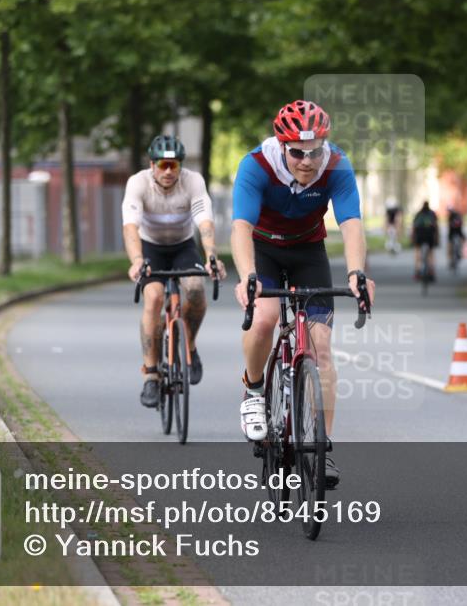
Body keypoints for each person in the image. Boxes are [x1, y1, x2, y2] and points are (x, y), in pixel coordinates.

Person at [231, 99, 375, 489]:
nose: (307, 161)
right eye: (297, 152)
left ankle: (322, 447)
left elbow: (351, 222)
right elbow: (241, 227)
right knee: (264, 318)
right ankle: (254, 389)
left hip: (308, 250)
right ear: (282, 145)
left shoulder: (337, 165)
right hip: (263, 248)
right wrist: (247, 276)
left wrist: (357, 272)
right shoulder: (257, 165)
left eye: (314, 151)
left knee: (322, 347)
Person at [122, 134, 226, 409]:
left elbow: (204, 220)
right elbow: (130, 226)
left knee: (194, 289)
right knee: (154, 298)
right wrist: (136, 260)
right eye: (162, 165)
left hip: (183, 246)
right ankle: (151, 374)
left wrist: (211, 255)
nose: (168, 171)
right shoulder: (137, 183)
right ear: (151, 164)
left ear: (181, 166)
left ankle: (189, 347)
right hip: (150, 248)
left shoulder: (193, 181)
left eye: (174, 166)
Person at [411, 201, 439, 280]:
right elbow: (436, 227)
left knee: (417, 252)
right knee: (431, 253)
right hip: (430, 236)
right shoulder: (432, 214)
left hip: (419, 235)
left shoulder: (418, 214)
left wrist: (413, 238)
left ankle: (417, 271)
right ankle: (431, 270)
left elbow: (414, 227)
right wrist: (437, 238)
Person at [446, 204, 466, 269]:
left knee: (450, 245)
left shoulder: (450, 216)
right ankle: (459, 252)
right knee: (462, 241)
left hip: (452, 233)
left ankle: (450, 258)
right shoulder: (458, 215)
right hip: (459, 232)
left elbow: (449, 226)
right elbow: (462, 224)